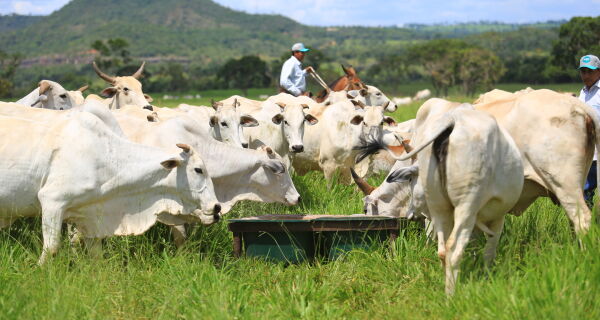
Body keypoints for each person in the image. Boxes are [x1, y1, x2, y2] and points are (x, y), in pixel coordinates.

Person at [579, 54, 600, 207]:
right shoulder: (582, 93)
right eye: (583, 71)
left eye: (590, 71)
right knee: (585, 196)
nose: (586, 75)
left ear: (598, 71)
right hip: (587, 155)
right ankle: (589, 229)